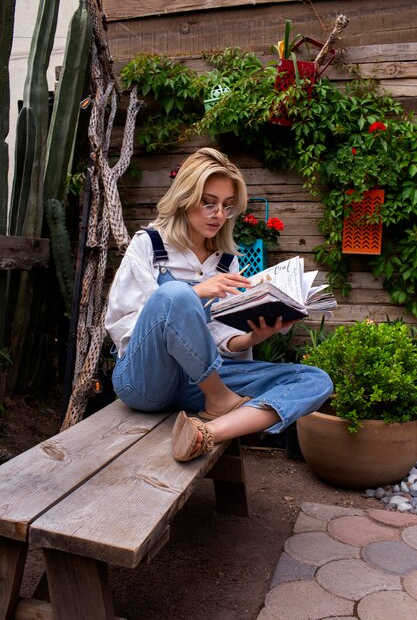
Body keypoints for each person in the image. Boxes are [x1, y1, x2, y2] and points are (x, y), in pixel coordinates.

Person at [105, 147, 333, 462]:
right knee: (175, 295)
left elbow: (221, 340)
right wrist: (196, 292)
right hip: (146, 382)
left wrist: (255, 336)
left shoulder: (227, 261)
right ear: (185, 198)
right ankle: (218, 399)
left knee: (314, 379)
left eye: (227, 206)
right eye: (209, 203)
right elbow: (124, 327)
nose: (219, 214)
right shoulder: (149, 244)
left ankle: (207, 433)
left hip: (195, 386)